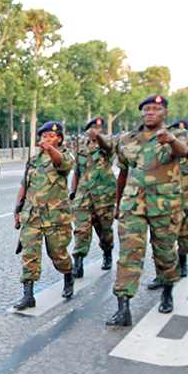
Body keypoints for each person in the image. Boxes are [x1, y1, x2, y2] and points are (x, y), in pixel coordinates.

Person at [106, 95, 188, 326]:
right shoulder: (126, 140)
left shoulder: (178, 135)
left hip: (165, 206)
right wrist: (118, 204)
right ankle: (123, 307)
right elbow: (123, 173)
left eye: (156, 109)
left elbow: (185, 151)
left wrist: (171, 140)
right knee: (128, 254)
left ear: (165, 113)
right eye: (146, 108)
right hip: (133, 205)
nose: (150, 112)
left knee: (165, 252)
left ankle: (167, 290)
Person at [13, 121, 75, 309]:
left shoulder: (65, 156)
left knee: (58, 254)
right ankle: (28, 295)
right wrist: (17, 210)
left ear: (60, 139)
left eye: (51, 136)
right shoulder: (34, 159)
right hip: (32, 217)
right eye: (44, 136)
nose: (46, 139)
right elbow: (25, 184)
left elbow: (61, 164)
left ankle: (68, 275)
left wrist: (50, 149)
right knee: (29, 255)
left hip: (56, 218)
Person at [147, 119, 188, 286]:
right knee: (163, 240)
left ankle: (183, 260)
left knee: (184, 234)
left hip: (187, 199)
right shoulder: (165, 155)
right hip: (166, 202)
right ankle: (162, 274)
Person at [70, 116, 117, 277]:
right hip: (83, 196)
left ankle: (107, 253)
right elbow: (77, 172)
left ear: (102, 130)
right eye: (92, 129)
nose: (95, 131)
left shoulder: (107, 144)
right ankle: (78, 263)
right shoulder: (82, 149)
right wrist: (73, 193)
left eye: (99, 128)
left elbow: (109, 148)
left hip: (103, 196)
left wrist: (98, 138)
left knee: (104, 230)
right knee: (81, 230)